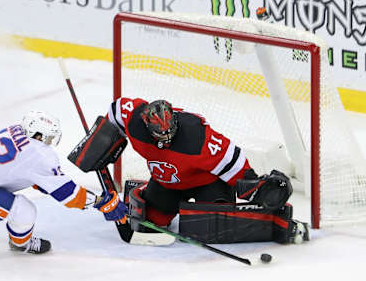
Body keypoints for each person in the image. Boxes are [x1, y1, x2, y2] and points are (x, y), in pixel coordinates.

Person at [106, 97, 309, 244]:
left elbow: (235, 163)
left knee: (216, 229)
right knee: (148, 226)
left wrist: (256, 186)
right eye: (159, 133)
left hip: (207, 183)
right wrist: (100, 142)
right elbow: (115, 112)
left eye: (169, 131)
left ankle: (272, 223)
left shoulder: (197, 137)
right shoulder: (134, 120)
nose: (165, 137)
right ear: (146, 125)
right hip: (167, 184)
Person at [0, 111, 127, 254]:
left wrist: (46, 184)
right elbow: (69, 195)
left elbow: (16, 170)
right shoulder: (39, 155)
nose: (49, 142)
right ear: (39, 135)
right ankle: (22, 244)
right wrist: (102, 202)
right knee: (23, 210)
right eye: (48, 138)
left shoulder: (15, 130)